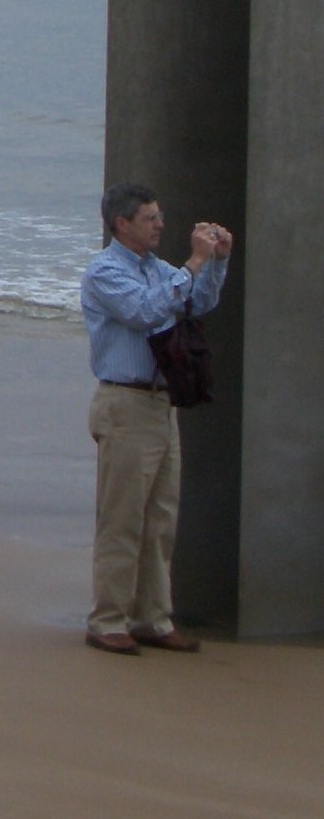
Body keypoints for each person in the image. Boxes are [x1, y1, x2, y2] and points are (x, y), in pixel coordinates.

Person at [80, 184, 233, 655]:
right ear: (122, 223)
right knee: (122, 518)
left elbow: (196, 303)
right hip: (124, 403)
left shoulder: (156, 269)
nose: (160, 225)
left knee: (161, 519)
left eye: (160, 216)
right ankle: (108, 619)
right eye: (150, 218)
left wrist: (217, 261)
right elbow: (146, 311)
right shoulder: (105, 272)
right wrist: (192, 264)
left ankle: (151, 617)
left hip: (160, 404)